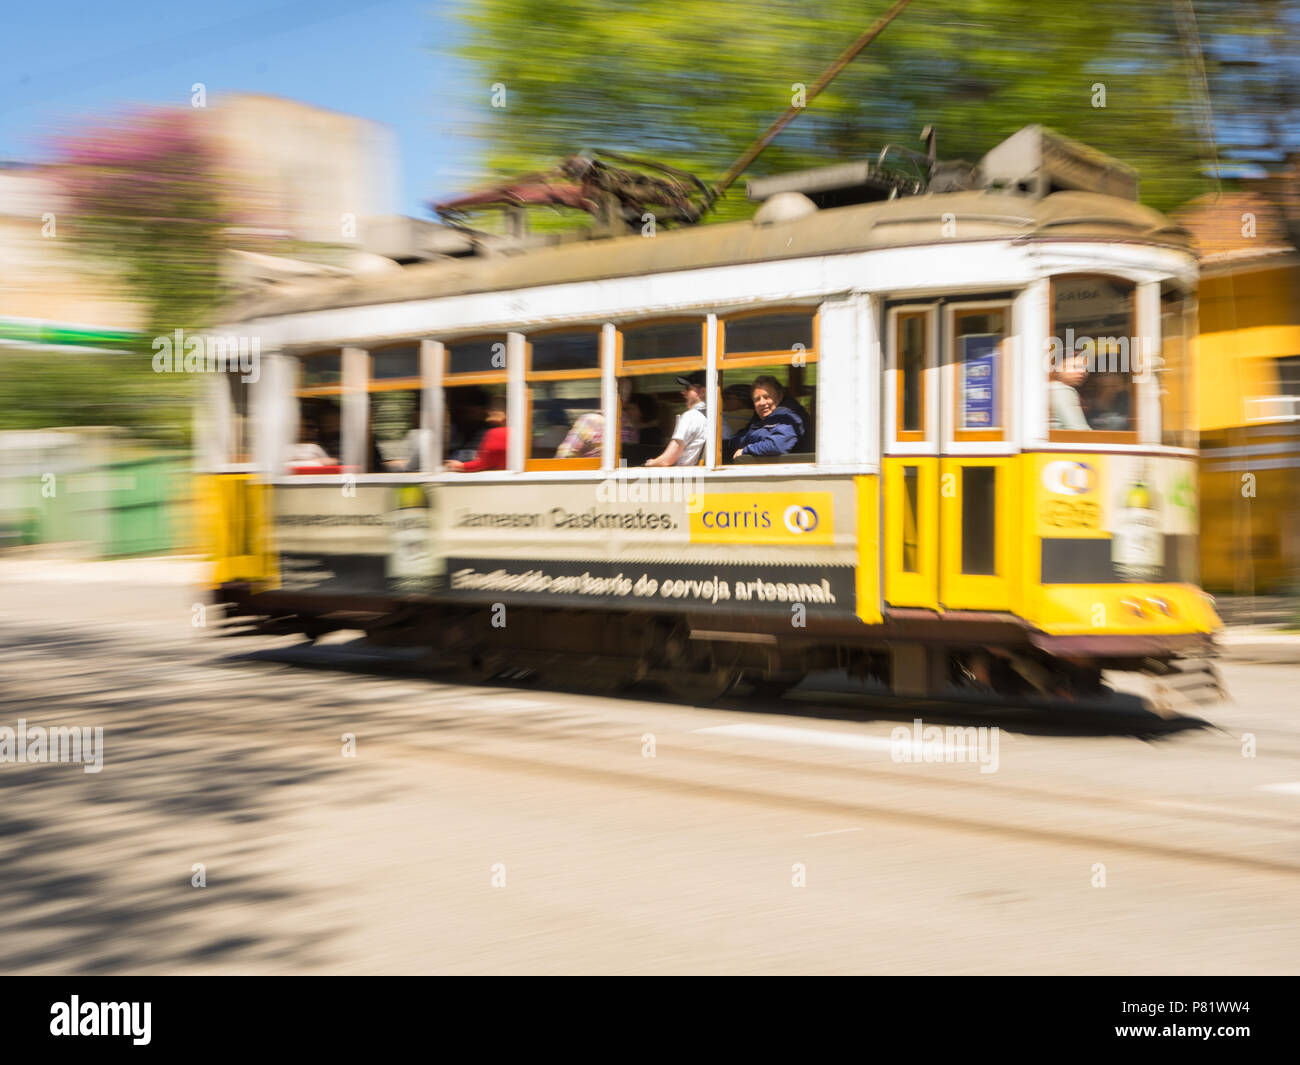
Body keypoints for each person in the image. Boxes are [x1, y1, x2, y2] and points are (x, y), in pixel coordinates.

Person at [726, 375, 807, 460]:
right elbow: (734, 441)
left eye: (767, 397)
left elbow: (777, 445)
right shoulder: (758, 418)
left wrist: (745, 450)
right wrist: (759, 440)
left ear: (779, 396)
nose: (762, 403)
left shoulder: (789, 417)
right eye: (757, 399)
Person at [644, 371, 707, 467]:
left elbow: (667, 460)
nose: (683, 392)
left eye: (687, 388)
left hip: (685, 477)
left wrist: (650, 463)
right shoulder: (718, 418)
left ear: (702, 391)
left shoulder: (691, 417)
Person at [445, 395, 507, 471]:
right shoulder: (517, 432)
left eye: (493, 412)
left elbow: (483, 463)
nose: (488, 417)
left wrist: (460, 466)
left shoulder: (498, 433)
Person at [1049, 351, 1091, 431]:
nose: (1082, 372)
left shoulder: (1049, 388)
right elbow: (1080, 432)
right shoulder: (1062, 391)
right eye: (1075, 367)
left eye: (1085, 368)